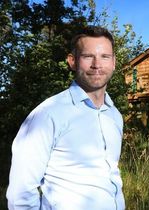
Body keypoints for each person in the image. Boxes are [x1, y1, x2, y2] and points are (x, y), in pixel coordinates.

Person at [6, 26, 125, 210]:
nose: (97, 64)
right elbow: (20, 194)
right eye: (87, 56)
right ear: (72, 61)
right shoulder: (48, 114)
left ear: (114, 62)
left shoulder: (114, 116)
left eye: (104, 56)